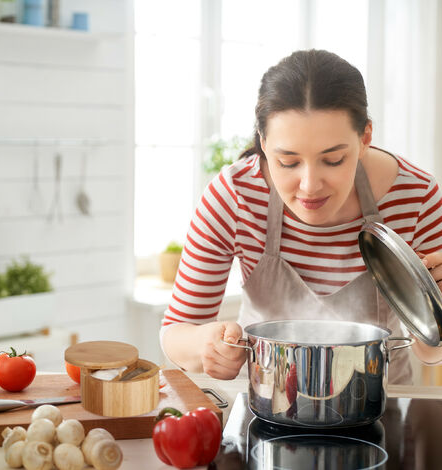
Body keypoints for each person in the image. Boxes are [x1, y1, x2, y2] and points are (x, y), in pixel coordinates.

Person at [159, 49, 442, 384]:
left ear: (365, 138)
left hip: (383, 409)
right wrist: (205, 346)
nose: (309, 187)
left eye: (333, 159)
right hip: (267, 404)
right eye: (288, 162)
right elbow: (176, 331)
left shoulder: (415, 196)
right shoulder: (235, 196)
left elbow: (430, 350)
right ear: (263, 142)